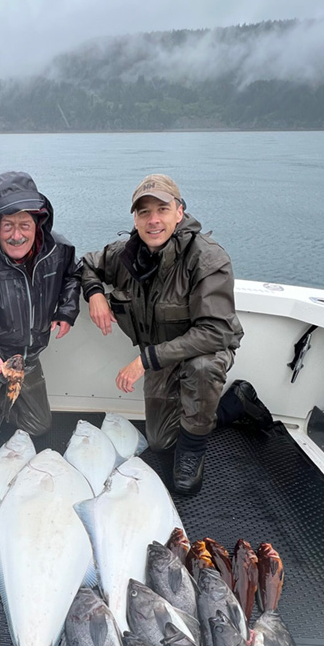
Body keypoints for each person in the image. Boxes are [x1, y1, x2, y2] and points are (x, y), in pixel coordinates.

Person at [81, 173, 271, 495]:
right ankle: (236, 403)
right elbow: (86, 263)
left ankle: (193, 452)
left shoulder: (207, 258)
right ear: (135, 219)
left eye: (162, 210)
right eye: (144, 212)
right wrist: (95, 293)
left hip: (204, 351)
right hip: (162, 358)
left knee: (202, 368)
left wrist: (144, 360)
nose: (153, 220)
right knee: (159, 441)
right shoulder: (126, 254)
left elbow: (216, 331)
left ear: (179, 212)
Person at [0, 170, 82, 464]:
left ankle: (0, 406)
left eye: (25, 224)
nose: (17, 235)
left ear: (38, 223)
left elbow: (73, 276)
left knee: (39, 426)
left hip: (29, 357)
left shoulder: (59, 250)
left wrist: (67, 309)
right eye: (7, 226)